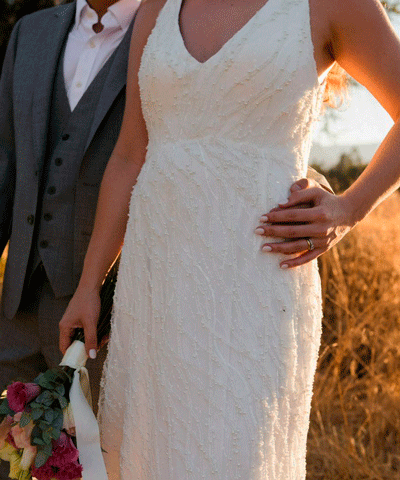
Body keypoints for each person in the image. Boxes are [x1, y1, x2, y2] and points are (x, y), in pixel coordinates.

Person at [58, 0, 400, 477]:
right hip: (156, 290)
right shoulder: (158, 7)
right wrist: (89, 284)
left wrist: (348, 208)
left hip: (256, 287)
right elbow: (130, 155)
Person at [0, 4, 140, 478]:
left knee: (99, 465)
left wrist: (311, 183)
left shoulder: (175, 29)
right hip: (16, 305)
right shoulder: (31, 32)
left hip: (114, 317)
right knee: (12, 459)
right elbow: (5, 162)